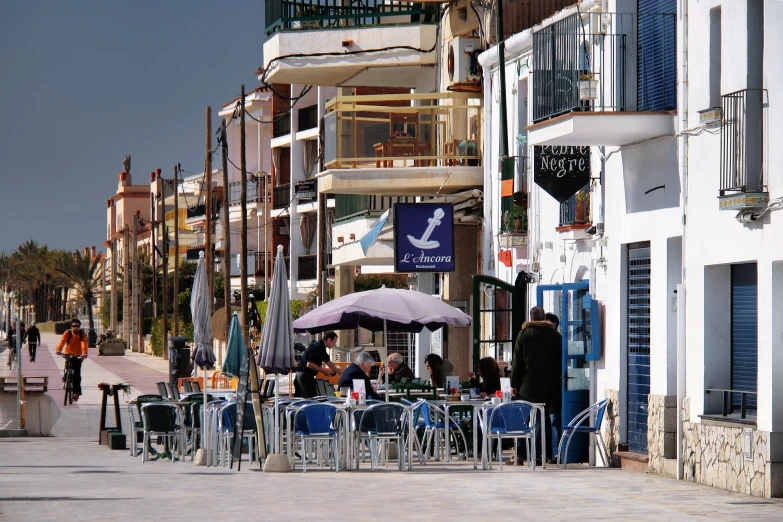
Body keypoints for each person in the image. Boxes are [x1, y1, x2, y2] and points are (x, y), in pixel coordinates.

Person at [511, 306, 560, 464]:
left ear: (531, 318)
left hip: (527, 384)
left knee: (522, 419)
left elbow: (517, 362)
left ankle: (520, 455)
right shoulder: (553, 335)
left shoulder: (524, 334)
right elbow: (560, 359)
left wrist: (514, 384)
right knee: (541, 419)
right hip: (548, 384)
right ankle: (539, 455)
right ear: (544, 317)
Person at [294, 331, 342, 398]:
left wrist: (340, 373)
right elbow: (309, 364)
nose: (335, 345)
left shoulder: (321, 347)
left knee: (304, 399)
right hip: (304, 375)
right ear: (329, 340)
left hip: (303, 375)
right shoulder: (318, 347)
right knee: (312, 399)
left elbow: (329, 363)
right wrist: (324, 371)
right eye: (334, 342)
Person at [56, 318, 89, 402]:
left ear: (79, 327)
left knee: (77, 375)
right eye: (73, 326)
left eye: (77, 326)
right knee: (67, 368)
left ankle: (76, 393)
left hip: (78, 355)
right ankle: (65, 378)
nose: (75, 328)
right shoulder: (67, 333)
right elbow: (62, 341)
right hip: (68, 353)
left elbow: (84, 343)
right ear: (71, 327)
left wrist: (84, 353)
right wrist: (58, 350)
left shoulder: (82, 334)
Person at [545, 312, 563, 464]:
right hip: (546, 388)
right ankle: (548, 453)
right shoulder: (544, 342)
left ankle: (557, 453)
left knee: (554, 421)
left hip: (556, 387)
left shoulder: (557, 340)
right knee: (547, 422)